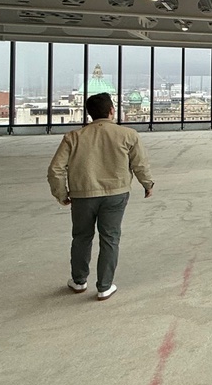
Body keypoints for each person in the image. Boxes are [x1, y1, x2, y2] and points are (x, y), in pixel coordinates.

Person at [47, 92, 155, 300]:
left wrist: (61, 194)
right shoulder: (128, 135)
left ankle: (79, 281)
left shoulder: (73, 137)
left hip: (82, 195)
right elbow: (140, 164)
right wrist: (147, 184)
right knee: (110, 238)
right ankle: (105, 286)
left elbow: (55, 169)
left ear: (89, 113)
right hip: (116, 193)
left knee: (81, 237)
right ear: (111, 110)